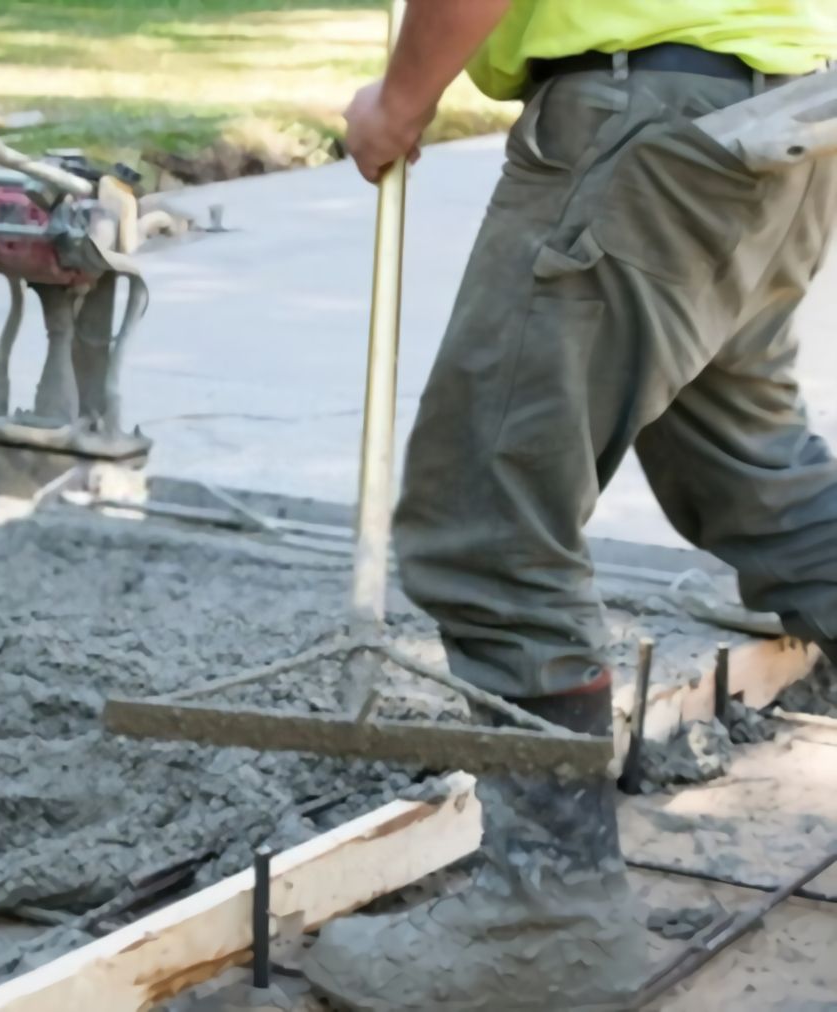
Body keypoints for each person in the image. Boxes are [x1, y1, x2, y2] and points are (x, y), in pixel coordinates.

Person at [303, 1, 837, 1007]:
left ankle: (544, 915)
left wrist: (400, 99)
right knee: (758, 477)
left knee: (486, 515)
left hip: (643, 123)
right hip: (774, 111)